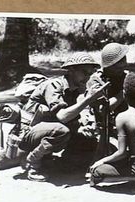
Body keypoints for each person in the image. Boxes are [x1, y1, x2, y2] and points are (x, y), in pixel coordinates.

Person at [16, 52, 107, 181]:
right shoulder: (54, 86)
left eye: (90, 73)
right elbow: (62, 116)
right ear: (71, 70)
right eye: (84, 72)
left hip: (47, 131)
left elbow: (72, 118)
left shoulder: (74, 89)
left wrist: (83, 127)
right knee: (61, 131)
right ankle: (32, 163)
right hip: (28, 134)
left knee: (88, 142)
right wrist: (88, 99)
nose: (87, 77)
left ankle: (54, 163)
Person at [89, 73, 135, 194]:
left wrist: (101, 161)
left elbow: (122, 153)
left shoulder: (123, 117)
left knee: (96, 172)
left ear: (124, 94)